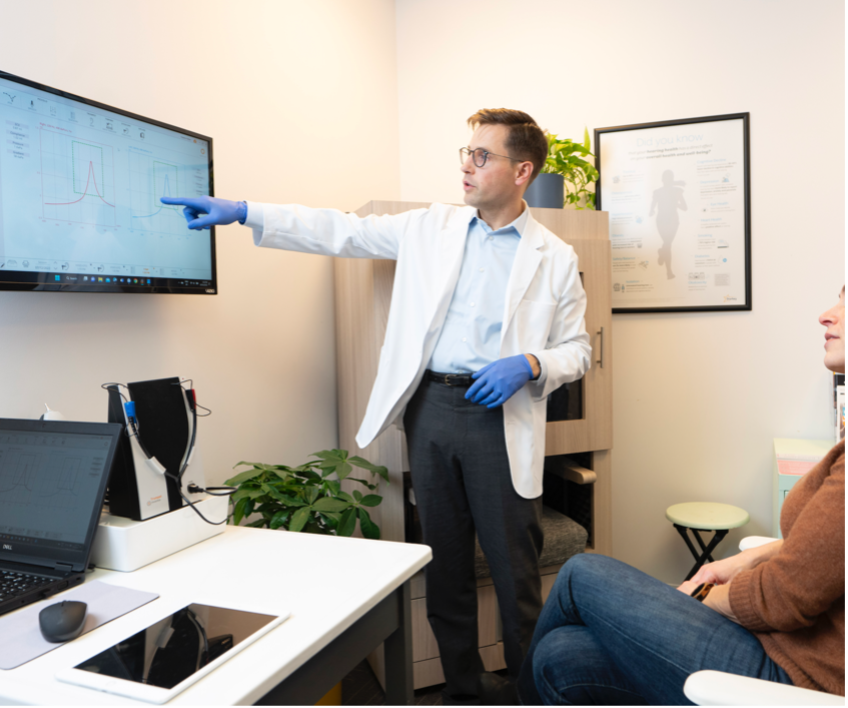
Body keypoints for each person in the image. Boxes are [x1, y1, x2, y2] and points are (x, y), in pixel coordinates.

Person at [162, 109, 592, 706]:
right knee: (444, 568)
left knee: (517, 575)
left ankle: (529, 696)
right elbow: (340, 231)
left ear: (522, 171)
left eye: (482, 156)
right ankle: (463, 693)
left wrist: (532, 364)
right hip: (433, 409)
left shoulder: (556, 256)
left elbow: (578, 349)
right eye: (465, 152)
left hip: (502, 416)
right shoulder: (430, 228)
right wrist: (244, 212)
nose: (467, 165)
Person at [490, 287, 845, 706]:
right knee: (558, 656)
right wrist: (739, 561)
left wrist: (698, 598)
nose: (826, 315)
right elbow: (822, 550)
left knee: (581, 573)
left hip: (798, 677)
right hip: (789, 644)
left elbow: (784, 596)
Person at [649, 169, 687, 280]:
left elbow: (685, 207)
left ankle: (663, 255)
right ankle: (668, 271)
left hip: (673, 221)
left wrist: (676, 204)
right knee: (667, 244)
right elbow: (653, 203)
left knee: (667, 244)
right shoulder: (658, 192)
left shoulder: (677, 191)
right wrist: (651, 210)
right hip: (662, 221)